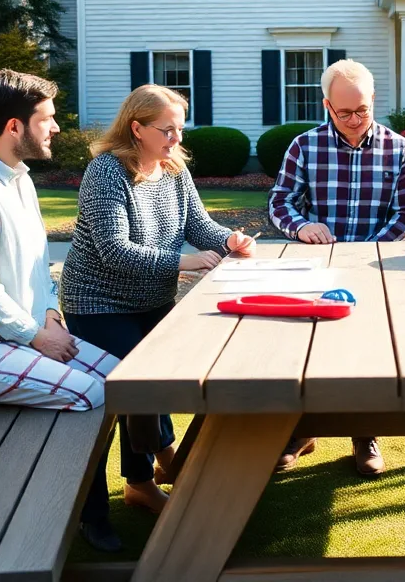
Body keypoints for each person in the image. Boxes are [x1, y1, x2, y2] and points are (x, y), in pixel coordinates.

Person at [63, 84, 257, 552]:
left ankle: (140, 483)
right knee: (112, 403)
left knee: (151, 389)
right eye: (166, 130)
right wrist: (186, 263)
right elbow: (113, 251)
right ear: (136, 128)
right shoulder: (106, 172)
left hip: (151, 299)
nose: (175, 138)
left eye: (179, 128)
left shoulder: (172, 168)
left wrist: (227, 240)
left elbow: (197, 225)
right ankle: (94, 513)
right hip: (97, 303)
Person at [0, 70, 116, 412]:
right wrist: (39, 336)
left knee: (121, 378)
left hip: (18, 335)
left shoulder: (17, 177)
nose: (55, 128)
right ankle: (46, 468)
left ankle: (157, 463)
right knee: (92, 394)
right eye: (47, 119)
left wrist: (51, 316)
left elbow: (37, 268)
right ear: (14, 126)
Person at [267, 58, 405, 476]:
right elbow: (279, 204)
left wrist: (369, 250)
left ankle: (364, 433)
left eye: (362, 110)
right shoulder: (304, 146)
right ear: (326, 106)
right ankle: (302, 431)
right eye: (344, 112)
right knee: (308, 351)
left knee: (367, 355)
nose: (354, 120)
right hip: (317, 268)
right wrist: (302, 228)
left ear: (373, 101)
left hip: (375, 269)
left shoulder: (398, 148)